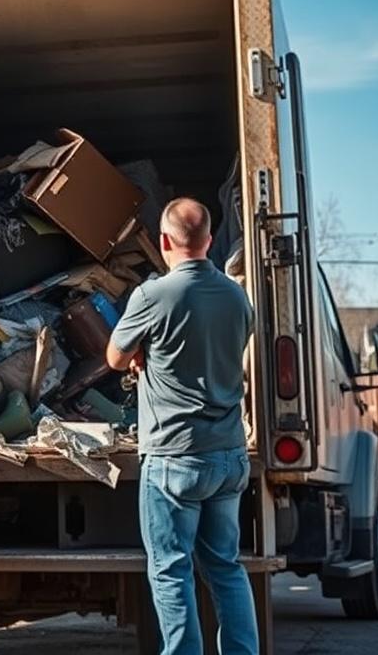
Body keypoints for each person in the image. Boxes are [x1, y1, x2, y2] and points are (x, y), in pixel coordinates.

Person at [106, 197, 257, 655]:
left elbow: (113, 357)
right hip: (229, 454)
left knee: (171, 571)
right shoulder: (237, 296)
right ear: (210, 241)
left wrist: (141, 356)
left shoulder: (152, 295)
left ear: (165, 241)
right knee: (226, 566)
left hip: (174, 458)